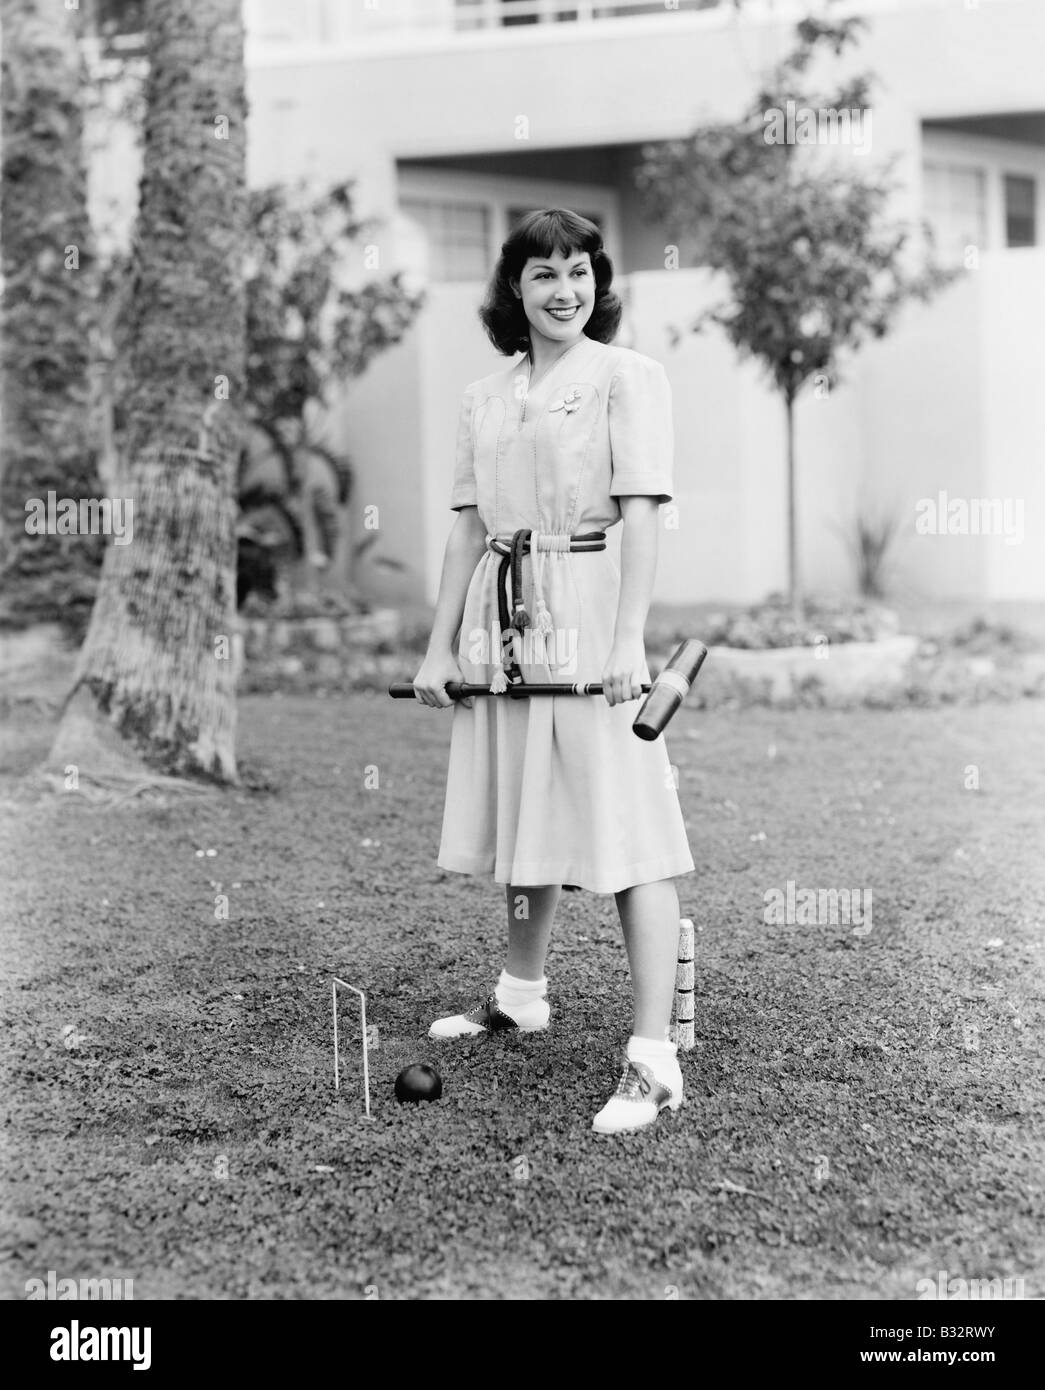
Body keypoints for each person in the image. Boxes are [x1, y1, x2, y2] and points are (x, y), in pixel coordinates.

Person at [411, 209, 695, 1134]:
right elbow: (465, 526)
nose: (564, 290)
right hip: (504, 614)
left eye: (578, 271)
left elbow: (642, 515)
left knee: (628, 827)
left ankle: (653, 1058)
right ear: (514, 291)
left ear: (597, 284)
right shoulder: (483, 395)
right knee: (524, 803)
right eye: (543, 275)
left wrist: (626, 641)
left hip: (588, 605)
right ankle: (520, 993)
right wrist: (438, 644)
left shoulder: (626, 377)